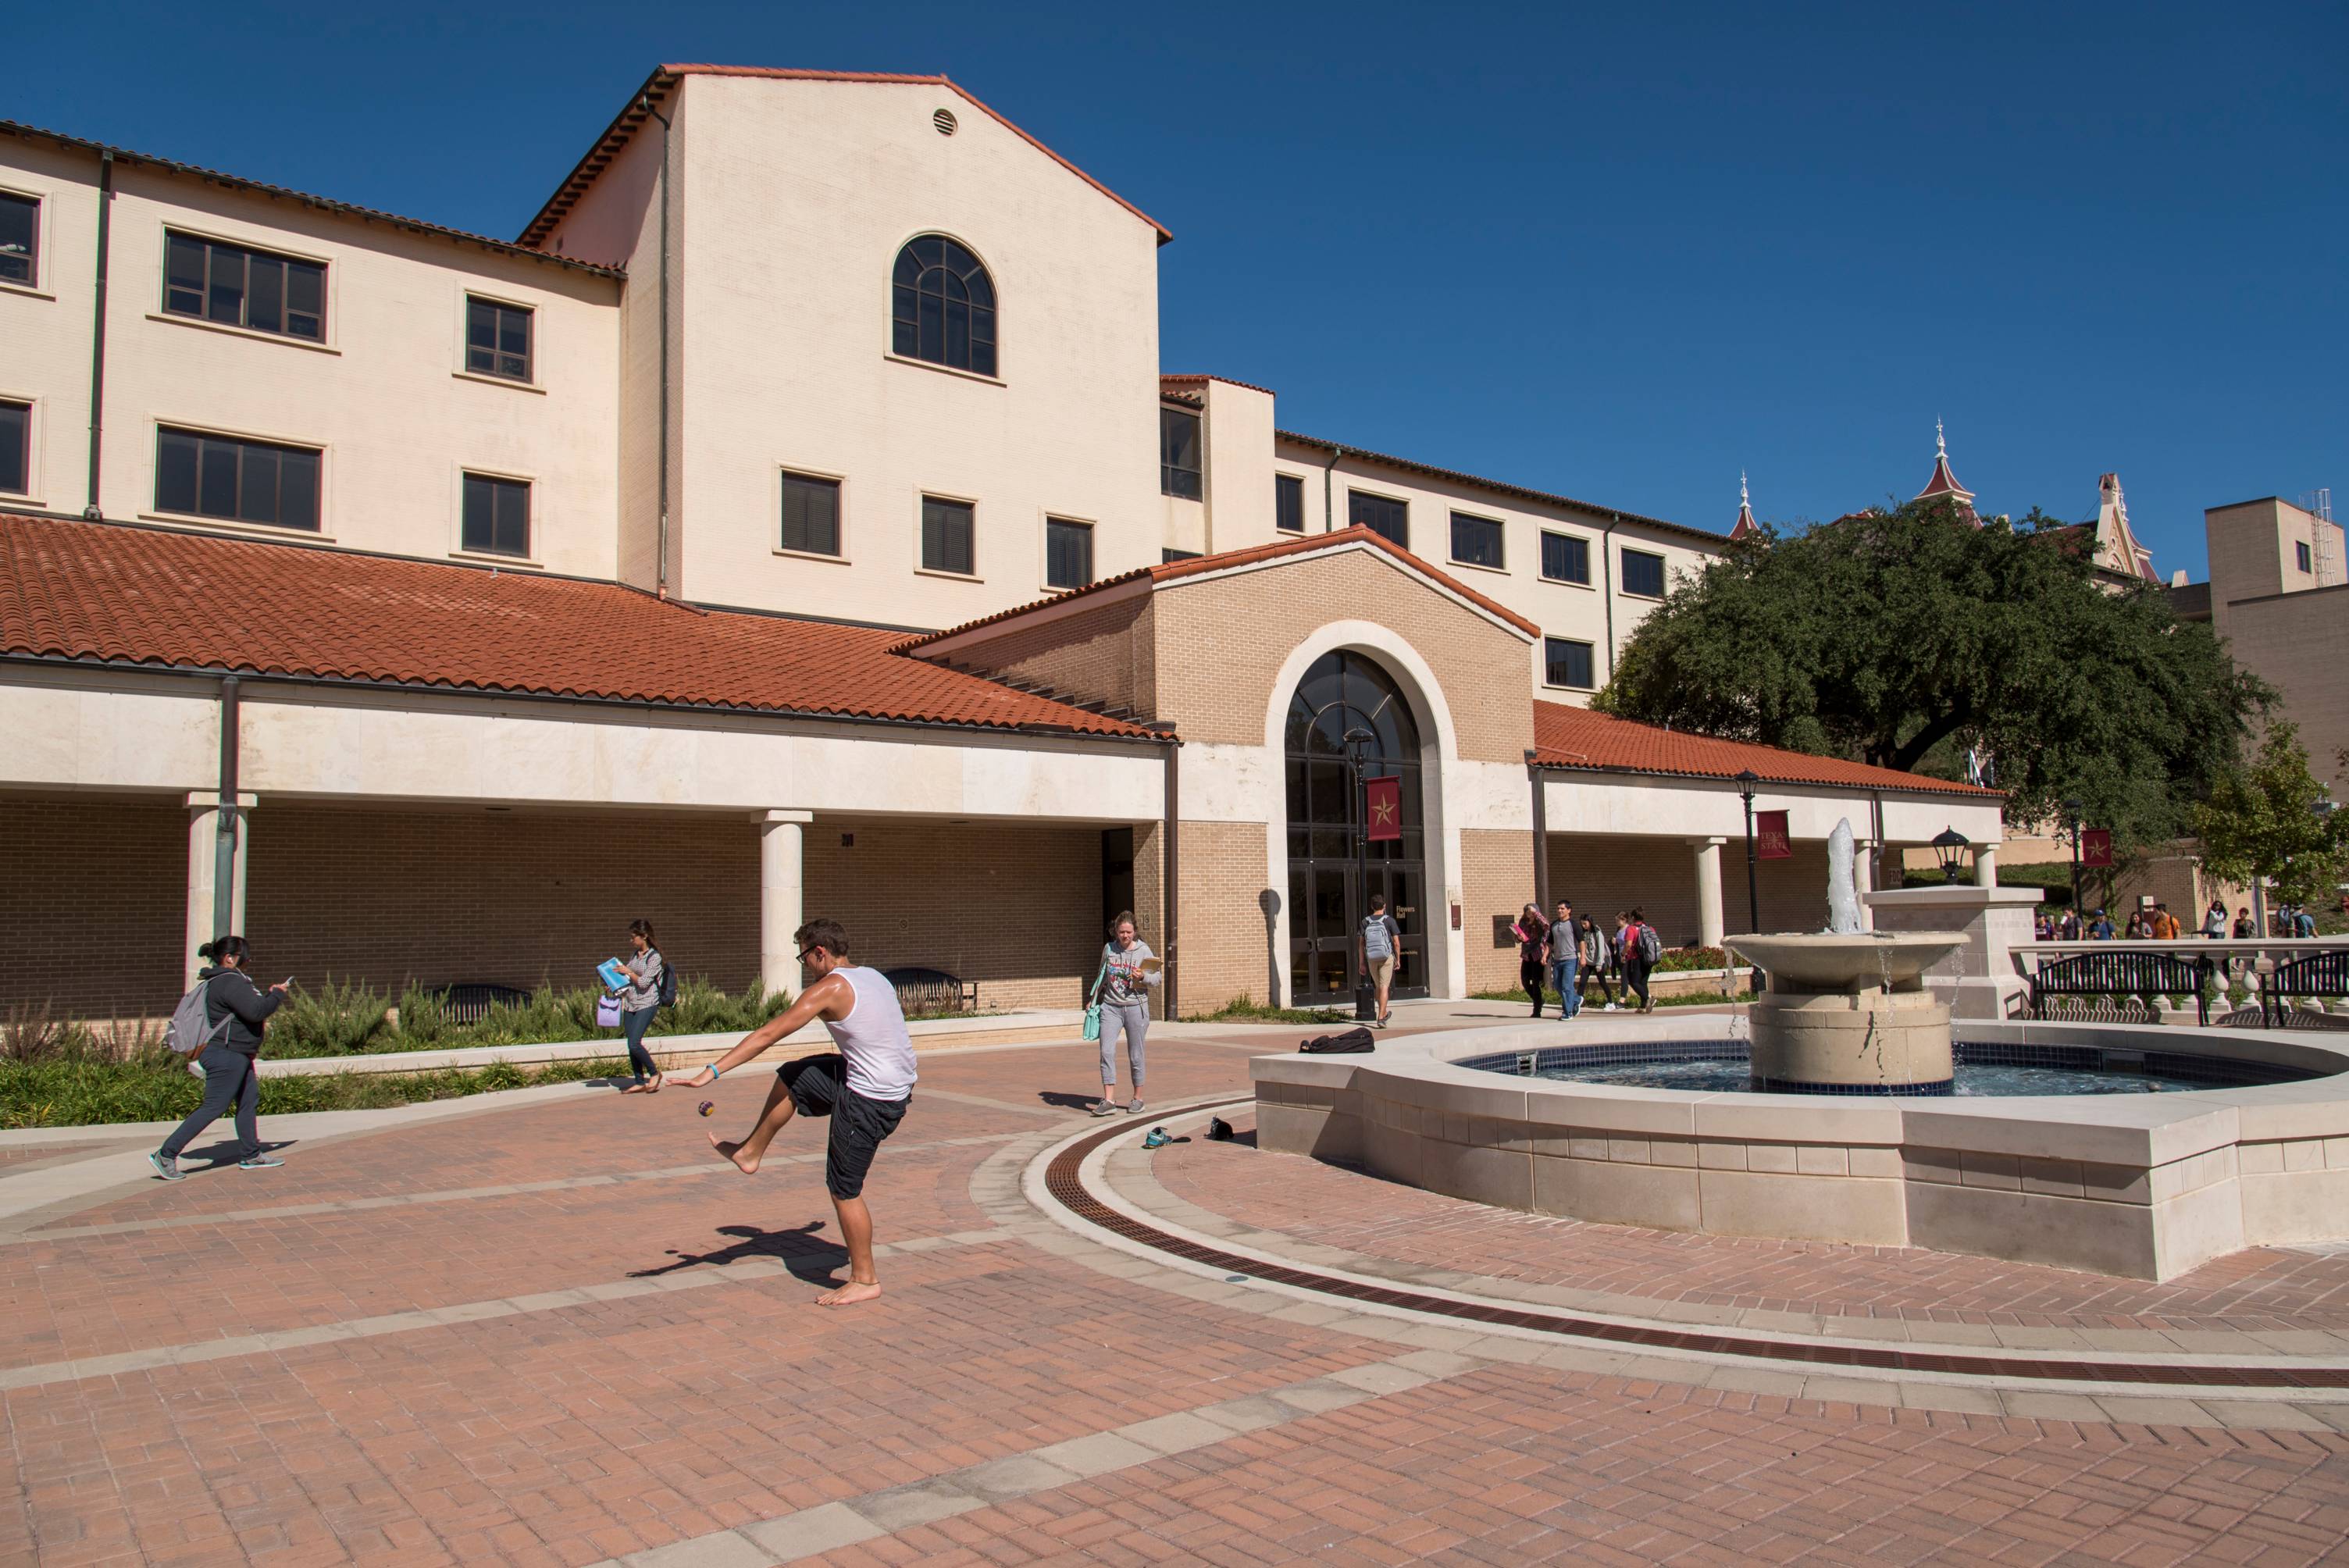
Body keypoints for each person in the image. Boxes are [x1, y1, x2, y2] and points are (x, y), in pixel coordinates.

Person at [669, 919, 914, 1307]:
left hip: (872, 1097)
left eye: (805, 958)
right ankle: (750, 1153)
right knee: (795, 1076)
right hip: (886, 1081)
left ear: (820, 952)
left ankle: (866, 1279)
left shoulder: (830, 987)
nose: (805, 967)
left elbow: (769, 1033)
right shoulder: (872, 976)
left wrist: (710, 1073)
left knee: (844, 1189)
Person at [151, 937, 287, 1180]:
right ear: (230, 958)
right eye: (245, 955)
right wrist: (276, 995)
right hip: (227, 1054)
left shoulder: (223, 981)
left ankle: (251, 1154)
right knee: (214, 1106)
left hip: (236, 1053)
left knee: (248, 1102)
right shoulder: (230, 982)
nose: (249, 960)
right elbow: (256, 1011)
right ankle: (166, 1154)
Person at [1088, 911, 1160, 1116]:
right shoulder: (1109, 949)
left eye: (1128, 932)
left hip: (1135, 1006)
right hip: (1111, 1006)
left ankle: (1138, 1099)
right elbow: (1102, 974)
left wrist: (1143, 976)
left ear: (1134, 931)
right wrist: (1093, 998)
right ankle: (1109, 1100)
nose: (1125, 936)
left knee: (1136, 1054)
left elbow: (1157, 978)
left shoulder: (1143, 950)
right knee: (1106, 1051)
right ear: (1116, 932)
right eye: (1121, 932)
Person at [615, 919, 668, 1093]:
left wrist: (628, 972)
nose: (631, 941)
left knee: (635, 1043)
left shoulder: (655, 957)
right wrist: (613, 982)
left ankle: (654, 1074)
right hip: (631, 1003)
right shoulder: (635, 955)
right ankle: (639, 1081)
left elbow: (644, 983)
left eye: (633, 937)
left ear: (644, 936)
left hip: (647, 1003)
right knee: (631, 1045)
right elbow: (628, 979)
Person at [1358, 893, 1402, 1028]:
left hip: (1371, 958)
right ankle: (1381, 1017)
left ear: (1372, 906)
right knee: (1384, 987)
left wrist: (1361, 962)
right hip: (1386, 957)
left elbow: (1361, 944)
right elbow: (1396, 943)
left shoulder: (1365, 921)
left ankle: (1382, 1011)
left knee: (1379, 986)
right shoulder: (1389, 921)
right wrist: (1398, 959)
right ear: (1384, 906)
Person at [1510, 903, 1548, 1017]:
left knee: (1536, 983)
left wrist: (1536, 914)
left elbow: (1547, 926)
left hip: (1538, 954)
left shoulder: (1539, 922)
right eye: (1527, 912)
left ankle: (1537, 1010)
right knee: (1525, 981)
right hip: (1527, 954)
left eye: (1531, 912)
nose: (1528, 915)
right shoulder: (1523, 922)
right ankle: (1539, 1001)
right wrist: (1518, 938)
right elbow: (1518, 938)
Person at [1545, 899, 1580, 1021]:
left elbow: (1582, 941)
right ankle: (1576, 999)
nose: (1559, 910)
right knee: (1558, 986)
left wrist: (1584, 957)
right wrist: (1545, 956)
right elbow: (1549, 943)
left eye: (1562, 908)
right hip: (1558, 960)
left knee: (1566, 986)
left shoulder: (1573, 924)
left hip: (1570, 959)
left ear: (1569, 910)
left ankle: (1568, 1012)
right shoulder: (1554, 925)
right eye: (1558, 908)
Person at [1621, 907, 1656, 1014]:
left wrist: (1623, 954)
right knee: (1643, 982)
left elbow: (1628, 944)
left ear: (1633, 917)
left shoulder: (1631, 929)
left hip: (1636, 959)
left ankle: (1649, 998)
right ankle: (1643, 1007)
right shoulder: (1650, 928)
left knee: (1633, 982)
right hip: (1649, 958)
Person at [1577, 916, 1616, 1010]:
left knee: (1603, 983)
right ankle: (1577, 1002)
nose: (1583, 926)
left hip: (1597, 962)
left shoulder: (1598, 933)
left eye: (1585, 923)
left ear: (1590, 922)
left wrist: (1599, 963)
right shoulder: (1584, 933)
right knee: (1582, 983)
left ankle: (1611, 1002)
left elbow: (1601, 949)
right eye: (1582, 924)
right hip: (1587, 962)